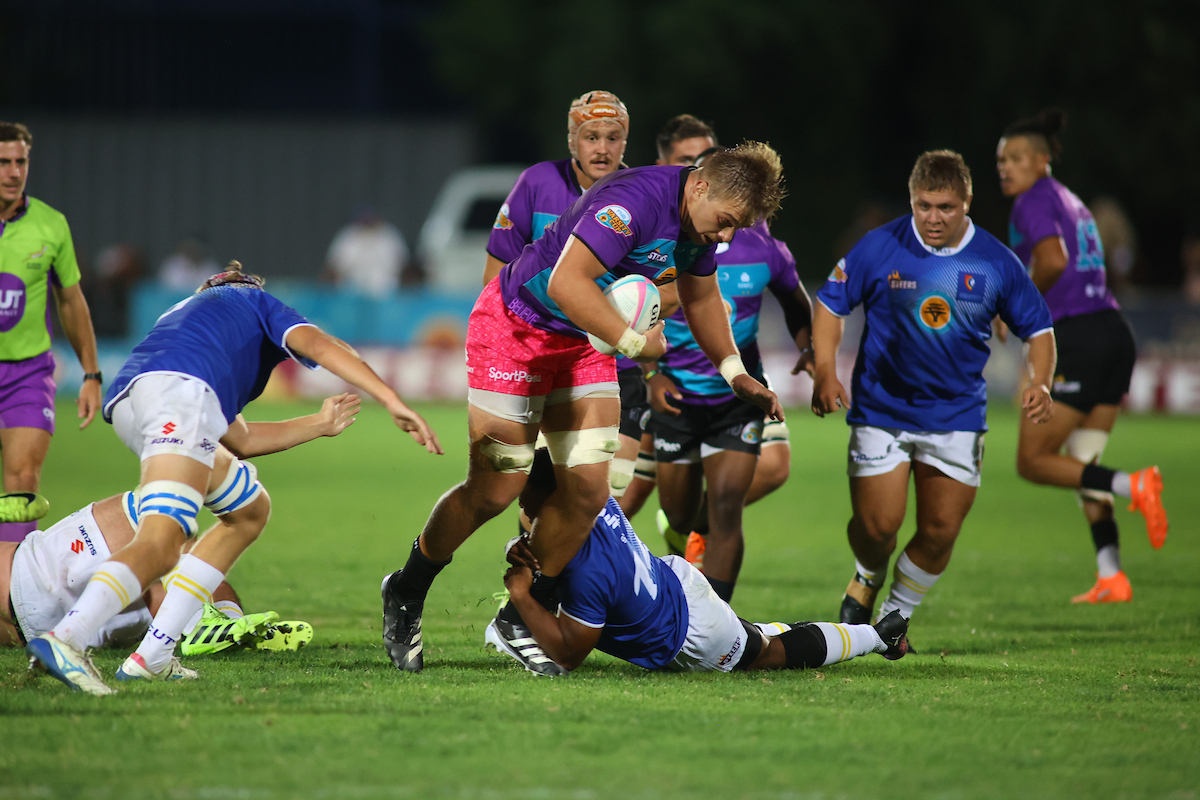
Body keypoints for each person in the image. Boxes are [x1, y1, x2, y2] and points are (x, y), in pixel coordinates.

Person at [382, 142, 786, 675]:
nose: (728, 236)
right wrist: (637, 344)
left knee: (591, 492)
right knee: (496, 488)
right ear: (701, 186)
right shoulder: (635, 202)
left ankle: (524, 614)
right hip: (515, 332)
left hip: (581, 345)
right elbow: (564, 282)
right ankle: (407, 589)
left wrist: (736, 374)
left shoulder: (697, 226)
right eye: (728, 222)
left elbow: (702, 298)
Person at [26, 261, 441, 695]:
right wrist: (390, 397)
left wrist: (318, 424)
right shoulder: (252, 299)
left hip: (142, 403)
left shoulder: (190, 320)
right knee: (164, 540)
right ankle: (67, 639)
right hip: (179, 399)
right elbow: (319, 343)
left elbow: (238, 438)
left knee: (248, 509)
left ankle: (154, 655)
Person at [811, 150, 1056, 635]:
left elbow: (1040, 330)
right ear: (912, 199)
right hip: (882, 409)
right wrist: (824, 368)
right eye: (924, 206)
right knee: (879, 529)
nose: (933, 218)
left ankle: (892, 619)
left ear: (967, 201)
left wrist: (1041, 380)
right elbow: (830, 305)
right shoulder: (880, 246)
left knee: (941, 530)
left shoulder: (996, 261)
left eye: (945, 207)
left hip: (957, 415)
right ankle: (867, 574)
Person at [492, 449, 911, 674]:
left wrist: (521, 596)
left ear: (546, 500)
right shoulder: (589, 494)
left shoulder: (590, 573)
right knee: (754, 633)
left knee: (768, 653)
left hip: (691, 632)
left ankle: (877, 638)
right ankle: (867, 635)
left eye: (525, 495)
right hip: (672, 581)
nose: (519, 501)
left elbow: (568, 654)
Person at [997, 109, 1167, 603]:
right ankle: (1111, 573)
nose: (1005, 167)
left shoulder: (1032, 202)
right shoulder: (1070, 200)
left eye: (1016, 158)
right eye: (1001, 160)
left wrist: (1015, 304)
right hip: (1113, 332)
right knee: (1082, 460)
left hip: (1077, 337)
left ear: (1042, 161)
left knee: (1033, 460)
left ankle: (1132, 484)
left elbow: (1052, 260)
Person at [646, 146, 813, 601]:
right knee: (679, 516)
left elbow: (797, 302)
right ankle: (682, 538)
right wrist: (650, 373)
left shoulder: (765, 248)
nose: (727, 229)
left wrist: (810, 348)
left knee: (726, 509)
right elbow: (636, 311)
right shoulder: (671, 239)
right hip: (677, 395)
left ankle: (716, 620)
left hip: (735, 400)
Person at [483, 91, 655, 513]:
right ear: (572, 140)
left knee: (610, 490)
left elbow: (663, 287)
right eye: (590, 136)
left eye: (612, 137)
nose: (601, 147)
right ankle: (528, 576)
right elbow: (496, 274)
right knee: (537, 495)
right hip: (545, 358)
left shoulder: (646, 195)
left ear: (625, 143)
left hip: (616, 364)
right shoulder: (537, 184)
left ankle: (560, 575)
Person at [3, 490, 314, 654]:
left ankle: (230, 629)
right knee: (162, 510)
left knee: (184, 573)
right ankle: (210, 624)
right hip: (36, 569)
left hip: (30, 628)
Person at [0, 122, 103, 543]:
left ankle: (12, 599)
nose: (13, 172)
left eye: (20, 161)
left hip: (27, 374)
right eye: (3, 162)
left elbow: (71, 301)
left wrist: (92, 374)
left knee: (23, 481)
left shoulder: (51, 225)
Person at [324, 205, 409, 298]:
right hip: (350, 294)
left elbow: (403, 265)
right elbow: (333, 267)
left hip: (385, 294)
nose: (368, 221)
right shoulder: (347, 237)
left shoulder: (389, 236)